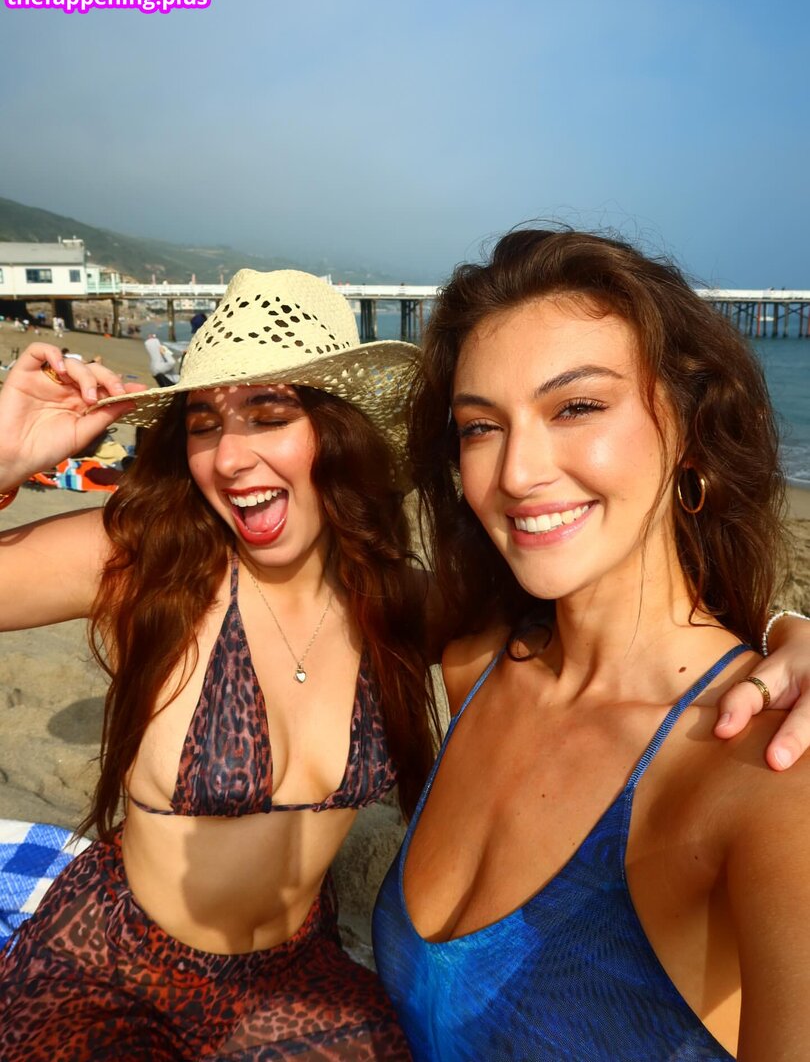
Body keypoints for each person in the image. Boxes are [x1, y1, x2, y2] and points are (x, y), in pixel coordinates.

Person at [373, 229, 810, 1059]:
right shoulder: (475, 667)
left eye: (575, 407)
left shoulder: (770, 775)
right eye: (480, 427)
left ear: (689, 427)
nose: (516, 474)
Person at [0, 269, 439, 1059]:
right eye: (205, 424)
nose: (230, 458)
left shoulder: (399, 601)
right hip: (113, 964)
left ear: (340, 433)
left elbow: (592, 626)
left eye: (269, 415)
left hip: (289, 972)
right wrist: (3, 460)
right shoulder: (151, 564)